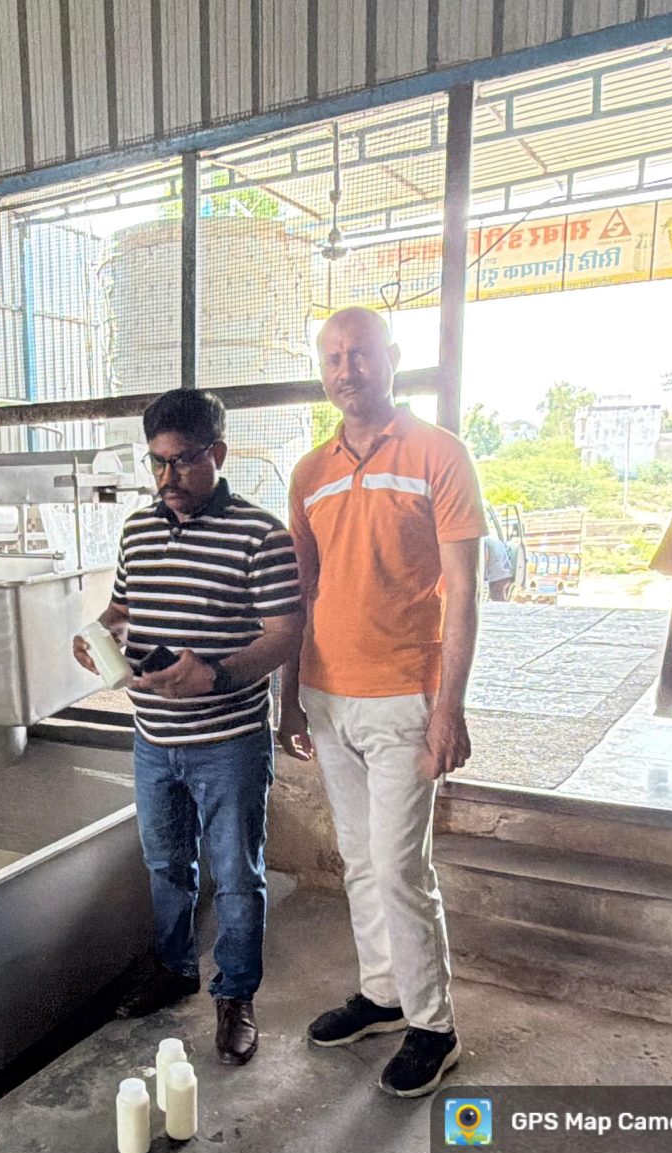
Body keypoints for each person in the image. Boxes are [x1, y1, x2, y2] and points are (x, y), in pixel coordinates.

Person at [278, 306, 483, 1098]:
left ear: (391, 358)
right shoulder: (311, 472)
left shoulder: (439, 454)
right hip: (327, 696)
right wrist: (290, 700)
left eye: (360, 353)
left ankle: (435, 1025)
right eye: (332, 357)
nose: (346, 370)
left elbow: (463, 594)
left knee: (400, 867)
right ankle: (384, 994)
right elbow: (301, 591)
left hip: (406, 697)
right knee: (361, 861)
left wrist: (448, 710)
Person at [74, 389, 303, 1065]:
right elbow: (123, 608)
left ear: (218, 453)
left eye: (182, 461)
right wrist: (96, 635)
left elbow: (285, 634)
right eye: (157, 462)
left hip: (228, 741)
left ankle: (235, 994)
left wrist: (219, 676)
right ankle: (175, 969)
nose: (167, 477)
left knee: (235, 873)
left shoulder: (262, 535)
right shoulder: (138, 530)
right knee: (167, 864)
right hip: (153, 737)